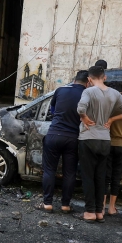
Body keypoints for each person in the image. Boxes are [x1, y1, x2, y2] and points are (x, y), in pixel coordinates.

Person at [76, 66, 122, 222]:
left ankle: (89, 212)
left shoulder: (88, 91)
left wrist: (83, 117)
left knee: (88, 176)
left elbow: (81, 107)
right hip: (105, 140)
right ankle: (99, 212)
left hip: (88, 138)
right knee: (100, 176)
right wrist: (111, 119)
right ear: (105, 77)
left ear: (89, 80)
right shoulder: (114, 94)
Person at [40, 70, 89, 213]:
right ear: (87, 82)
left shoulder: (60, 90)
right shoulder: (86, 95)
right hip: (72, 137)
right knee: (69, 173)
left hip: (54, 134)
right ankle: (65, 205)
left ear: (74, 79)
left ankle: (47, 203)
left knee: (49, 170)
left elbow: (53, 110)